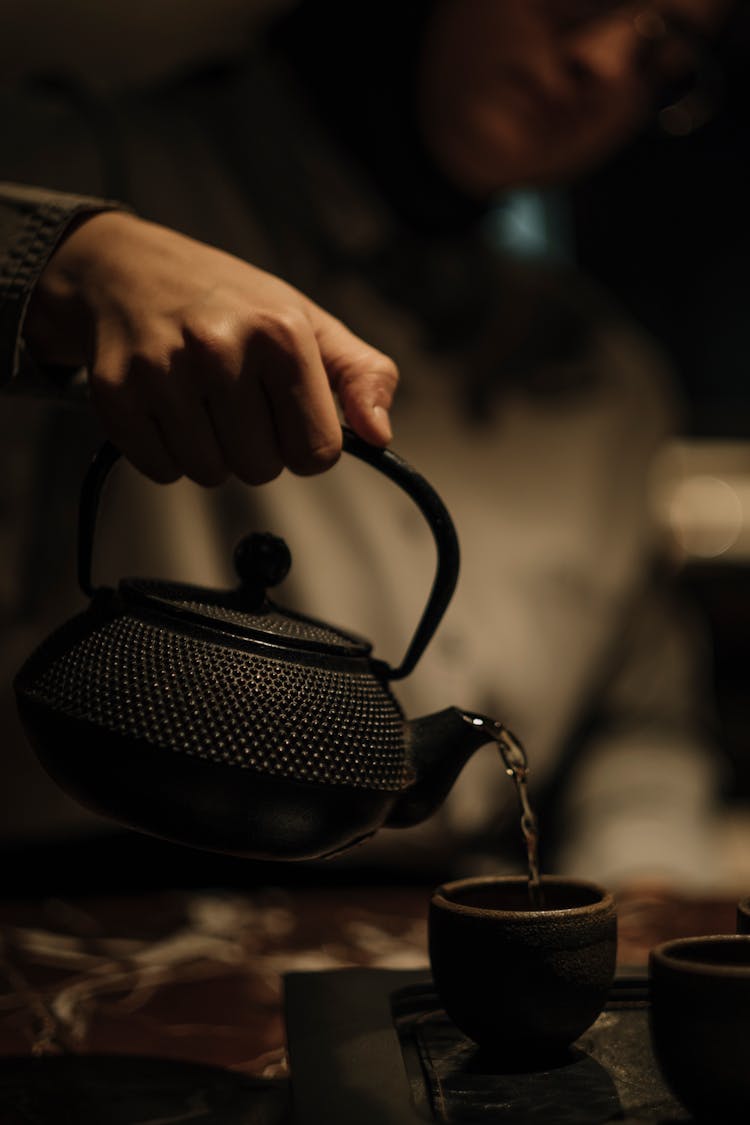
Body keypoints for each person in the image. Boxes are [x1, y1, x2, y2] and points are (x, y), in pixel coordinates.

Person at [0, 0, 739, 889]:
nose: (609, 61)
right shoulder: (97, 165)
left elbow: (643, 727)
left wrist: (641, 897)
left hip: (426, 940)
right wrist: (75, 261)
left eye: (671, 52)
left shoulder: (611, 379)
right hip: (80, 914)